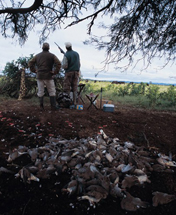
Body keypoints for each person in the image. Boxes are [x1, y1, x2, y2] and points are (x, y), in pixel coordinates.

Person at [28, 42, 61, 110]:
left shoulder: (37, 56)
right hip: (49, 76)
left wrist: (34, 70)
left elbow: (30, 62)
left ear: (42, 48)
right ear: (49, 48)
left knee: (40, 91)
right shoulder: (52, 55)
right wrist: (55, 72)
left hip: (39, 75)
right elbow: (58, 63)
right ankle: (53, 106)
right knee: (52, 91)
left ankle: (41, 106)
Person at [60, 42, 81, 108]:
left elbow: (65, 66)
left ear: (66, 48)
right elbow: (79, 64)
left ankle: (68, 102)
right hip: (76, 73)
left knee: (67, 87)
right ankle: (74, 102)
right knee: (75, 87)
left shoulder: (66, 55)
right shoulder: (77, 54)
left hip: (69, 73)